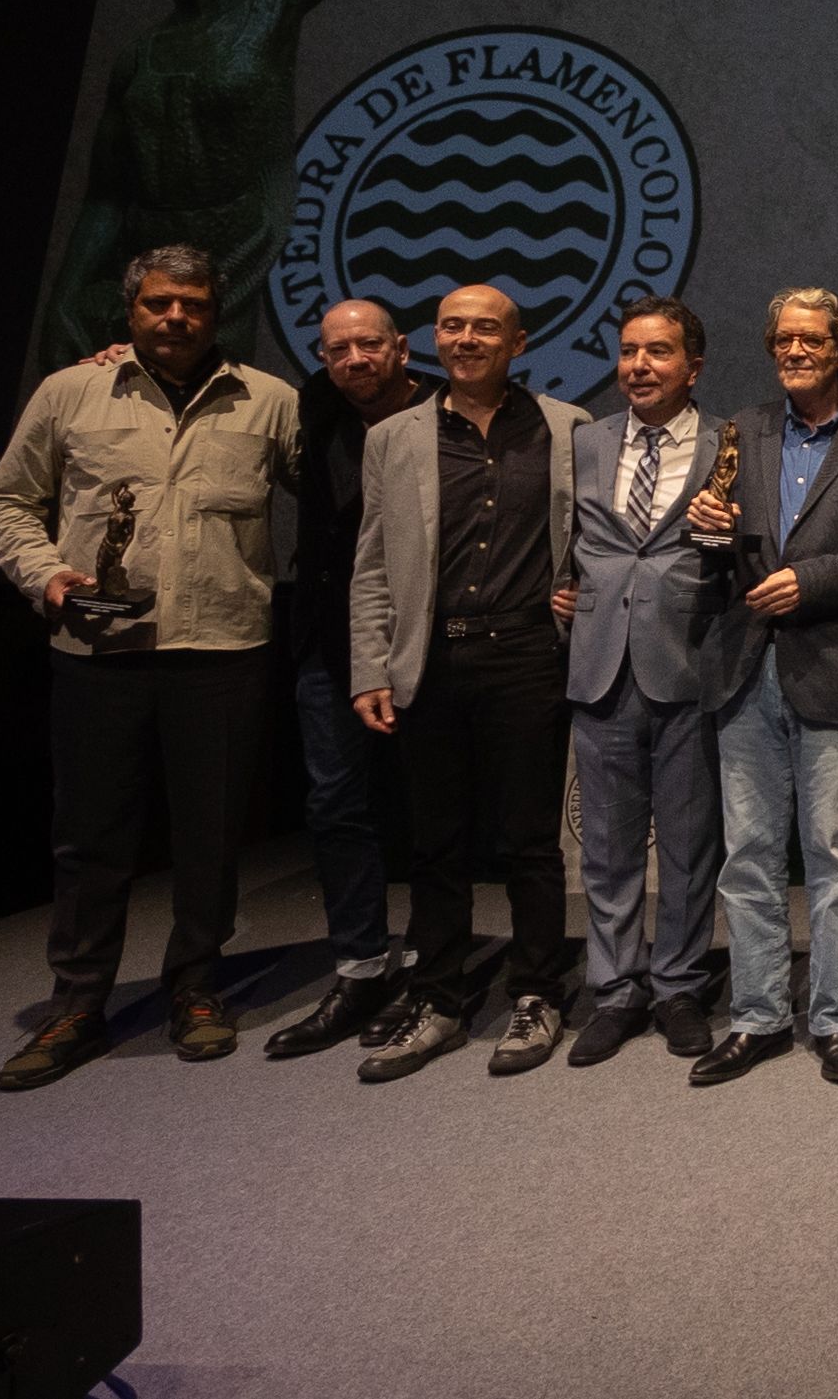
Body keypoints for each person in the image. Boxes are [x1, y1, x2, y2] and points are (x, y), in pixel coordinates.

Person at [0, 244, 304, 1089]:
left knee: (211, 834)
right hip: (99, 651)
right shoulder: (70, 392)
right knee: (90, 838)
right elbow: (7, 500)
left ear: (216, 311)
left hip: (224, 648)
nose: (176, 318)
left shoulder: (269, 400)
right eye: (160, 303)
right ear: (131, 310)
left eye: (193, 304)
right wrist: (47, 576)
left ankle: (197, 986)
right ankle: (79, 1001)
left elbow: (340, 487)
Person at [40, 0, 407, 368]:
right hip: (135, 273)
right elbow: (106, 196)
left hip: (228, 260)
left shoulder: (272, 6)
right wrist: (63, 299)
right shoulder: (141, 54)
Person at [346, 284, 587, 1083]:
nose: (466, 338)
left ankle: (535, 990)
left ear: (518, 344)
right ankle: (438, 997)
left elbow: (598, 538)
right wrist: (370, 666)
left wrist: (580, 588)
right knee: (436, 842)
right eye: (452, 325)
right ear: (432, 339)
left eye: (485, 327)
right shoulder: (393, 436)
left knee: (527, 842)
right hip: (432, 659)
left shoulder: (567, 428)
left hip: (526, 656)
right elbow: (373, 563)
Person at [686, 286, 838, 1088]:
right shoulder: (740, 429)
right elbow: (717, 538)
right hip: (745, 665)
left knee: (833, 855)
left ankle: (835, 1018)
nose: (793, 351)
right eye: (782, 338)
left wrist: (808, 580)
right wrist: (707, 527)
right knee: (747, 855)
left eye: (810, 339)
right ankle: (755, 1018)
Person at [262, 298, 443, 1060]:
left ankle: (438, 966)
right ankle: (362, 966)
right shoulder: (312, 406)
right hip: (329, 644)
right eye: (340, 348)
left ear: (400, 347)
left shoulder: (445, 409)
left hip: (433, 639)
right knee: (338, 805)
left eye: (370, 343)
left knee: (437, 808)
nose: (356, 359)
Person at [558, 297, 728, 1068]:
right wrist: (558, 590)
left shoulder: (731, 442)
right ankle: (616, 989)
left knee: (690, 845)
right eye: (629, 351)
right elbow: (562, 535)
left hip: (688, 660)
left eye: (658, 352)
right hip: (599, 663)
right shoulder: (585, 441)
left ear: (693, 365)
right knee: (608, 845)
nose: (638, 366)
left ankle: (680, 985)